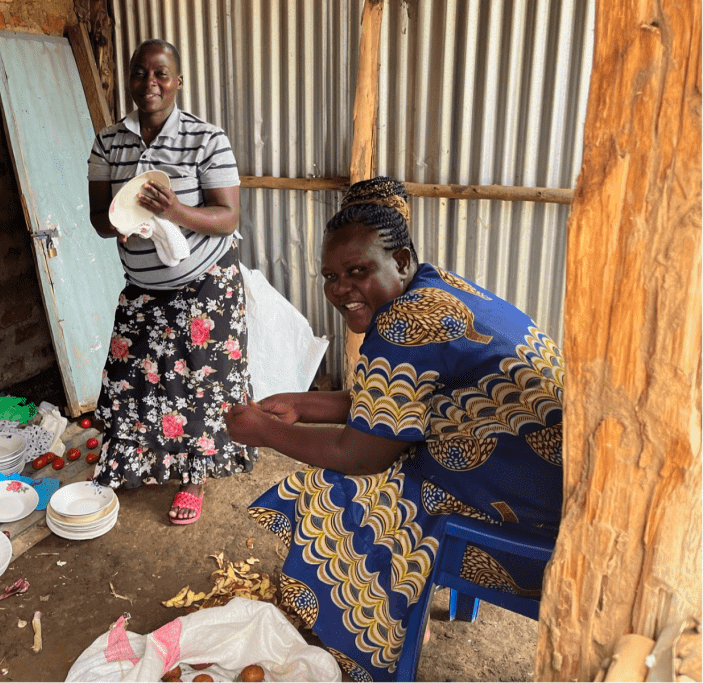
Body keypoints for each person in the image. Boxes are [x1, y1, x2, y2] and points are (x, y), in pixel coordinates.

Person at [225, 177, 564, 680]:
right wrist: (300, 403)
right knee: (363, 471)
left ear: (400, 260)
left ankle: (366, 641)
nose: (341, 289)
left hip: (542, 535)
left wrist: (266, 431)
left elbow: (362, 453)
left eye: (357, 271)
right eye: (331, 275)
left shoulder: (403, 326)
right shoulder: (436, 288)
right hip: (551, 483)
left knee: (341, 492)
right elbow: (388, 402)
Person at [87, 38, 257, 524]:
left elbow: (227, 217)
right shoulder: (109, 141)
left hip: (205, 284)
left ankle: (193, 478)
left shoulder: (206, 138)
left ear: (178, 81)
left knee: (199, 384)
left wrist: (176, 211)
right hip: (143, 288)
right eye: (140, 73)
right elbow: (101, 219)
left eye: (161, 73)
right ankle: (128, 463)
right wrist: (126, 222)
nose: (150, 83)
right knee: (130, 378)